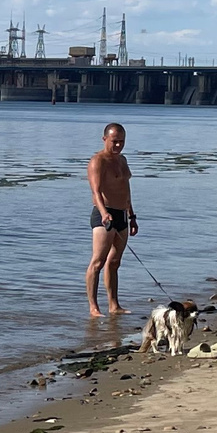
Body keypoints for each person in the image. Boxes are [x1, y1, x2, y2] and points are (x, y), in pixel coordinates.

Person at [83, 122, 137, 316]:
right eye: (114, 142)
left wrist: (132, 216)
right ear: (105, 139)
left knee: (114, 262)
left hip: (122, 215)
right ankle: (93, 307)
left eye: (121, 142)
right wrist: (104, 212)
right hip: (104, 216)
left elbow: (126, 189)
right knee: (98, 261)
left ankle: (114, 305)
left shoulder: (122, 160)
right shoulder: (98, 161)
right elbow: (96, 192)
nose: (118, 146)